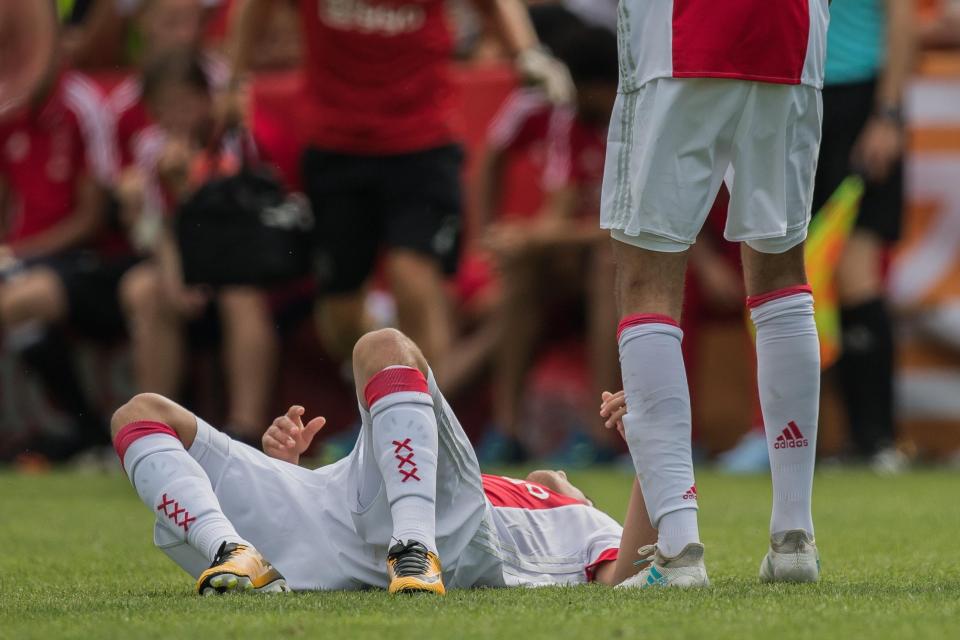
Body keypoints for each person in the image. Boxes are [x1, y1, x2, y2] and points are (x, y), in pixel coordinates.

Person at [110, 328, 653, 594]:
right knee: (140, 414)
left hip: (448, 537)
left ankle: (415, 547)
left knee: (382, 345)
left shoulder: (585, 524)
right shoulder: (525, 485)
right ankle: (229, 553)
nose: (557, 480)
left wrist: (650, 449)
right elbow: (398, 462)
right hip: (327, 507)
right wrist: (289, 469)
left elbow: (621, 579)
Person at [599, 0, 830, 587]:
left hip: (684, 31)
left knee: (647, 275)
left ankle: (678, 552)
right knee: (780, 269)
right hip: (790, 33)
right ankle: (794, 540)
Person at [225, 0, 574, 386]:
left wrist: (528, 54)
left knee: (412, 277)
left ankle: (426, 424)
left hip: (422, 145)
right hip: (336, 147)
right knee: (338, 316)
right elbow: (254, 8)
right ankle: (389, 375)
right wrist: (235, 80)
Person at [115, 50, 281, 444]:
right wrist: (176, 276)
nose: (177, 115)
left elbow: (235, 219)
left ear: (207, 98)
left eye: (185, 102)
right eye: (165, 106)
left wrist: (186, 187)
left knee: (239, 296)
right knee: (144, 292)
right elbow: (152, 233)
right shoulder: (150, 148)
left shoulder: (234, 140)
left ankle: (244, 428)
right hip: (180, 262)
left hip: (241, 258)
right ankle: (156, 431)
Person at [474, 25, 620, 464]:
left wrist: (531, 237)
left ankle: (601, 436)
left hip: (639, 263)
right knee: (523, 271)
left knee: (608, 260)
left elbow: (632, 229)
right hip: (577, 266)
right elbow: (560, 210)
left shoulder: (642, 123)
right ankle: (508, 431)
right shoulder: (573, 120)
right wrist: (517, 245)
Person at [0, 6, 119, 460]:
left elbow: (93, 218)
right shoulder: (10, 110)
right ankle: (75, 428)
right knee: (21, 307)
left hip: (83, 262)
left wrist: (18, 252)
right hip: (23, 260)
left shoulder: (82, 104)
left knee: (21, 300)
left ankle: (83, 425)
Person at [814, 0, 916, 470]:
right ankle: (840, 438)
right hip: (794, 97)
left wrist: (889, 113)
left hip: (859, 100)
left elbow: (902, 14)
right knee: (800, 279)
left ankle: (875, 438)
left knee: (855, 270)